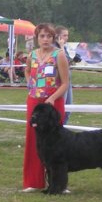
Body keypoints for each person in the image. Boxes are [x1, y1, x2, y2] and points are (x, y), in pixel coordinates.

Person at [22, 23, 69, 192]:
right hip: (34, 102)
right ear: (37, 38)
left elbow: (65, 83)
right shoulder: (32, 55)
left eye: (49, 36)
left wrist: (53, 98)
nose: (45, 39)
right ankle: (33, 182)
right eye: (42, 36)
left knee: (56, 144)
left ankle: (59, 184)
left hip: (53, 104)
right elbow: (27, 71)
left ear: (53, 38)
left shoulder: (59, 55)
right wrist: (29, 83)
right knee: (34, 141)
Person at [55, 26, 72, 124]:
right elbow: (64, 61)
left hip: (68, 80)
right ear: (58, 36)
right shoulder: (56, 48)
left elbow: (69, 61)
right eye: (64, 35)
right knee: (61, 108)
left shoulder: (64, 47)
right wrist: (61, 47)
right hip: (61, 82)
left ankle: (63, 128)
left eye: (67, 35)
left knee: (69, 109)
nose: (66, 38)